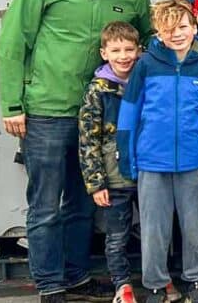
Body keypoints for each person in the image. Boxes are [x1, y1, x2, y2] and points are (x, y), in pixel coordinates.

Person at [0, 0, 151, 303]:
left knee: (85, 203)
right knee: (46, 204)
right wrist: (12, 103)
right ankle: (50, 285)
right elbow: (14, 42)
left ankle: (77, 277)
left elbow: (153, 42)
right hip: (49, 111)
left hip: (105, 117)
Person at [117, 0, 198, 303]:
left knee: (195, 228)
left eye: (182, 27)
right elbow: (129, 114)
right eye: (168, 29)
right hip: (152, 162)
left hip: (193, 163)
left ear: (194, 27)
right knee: (154, 230)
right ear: (158, 32)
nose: (176, 34)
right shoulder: (146, 66)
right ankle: (154, 282)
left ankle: (195, 278)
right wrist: (128, 159)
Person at [77, 22, 142, 303]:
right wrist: (95, 183)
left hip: (148, 172)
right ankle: (122, 285)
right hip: (114, 178)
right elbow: (88, 139)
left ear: (139, 51)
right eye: (116, 50)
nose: (123, 56)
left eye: (129, 49)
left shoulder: (146, 81)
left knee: (154, 231)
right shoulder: (97, 91)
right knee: (117, 236)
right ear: (104, 53)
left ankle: (158, 280)